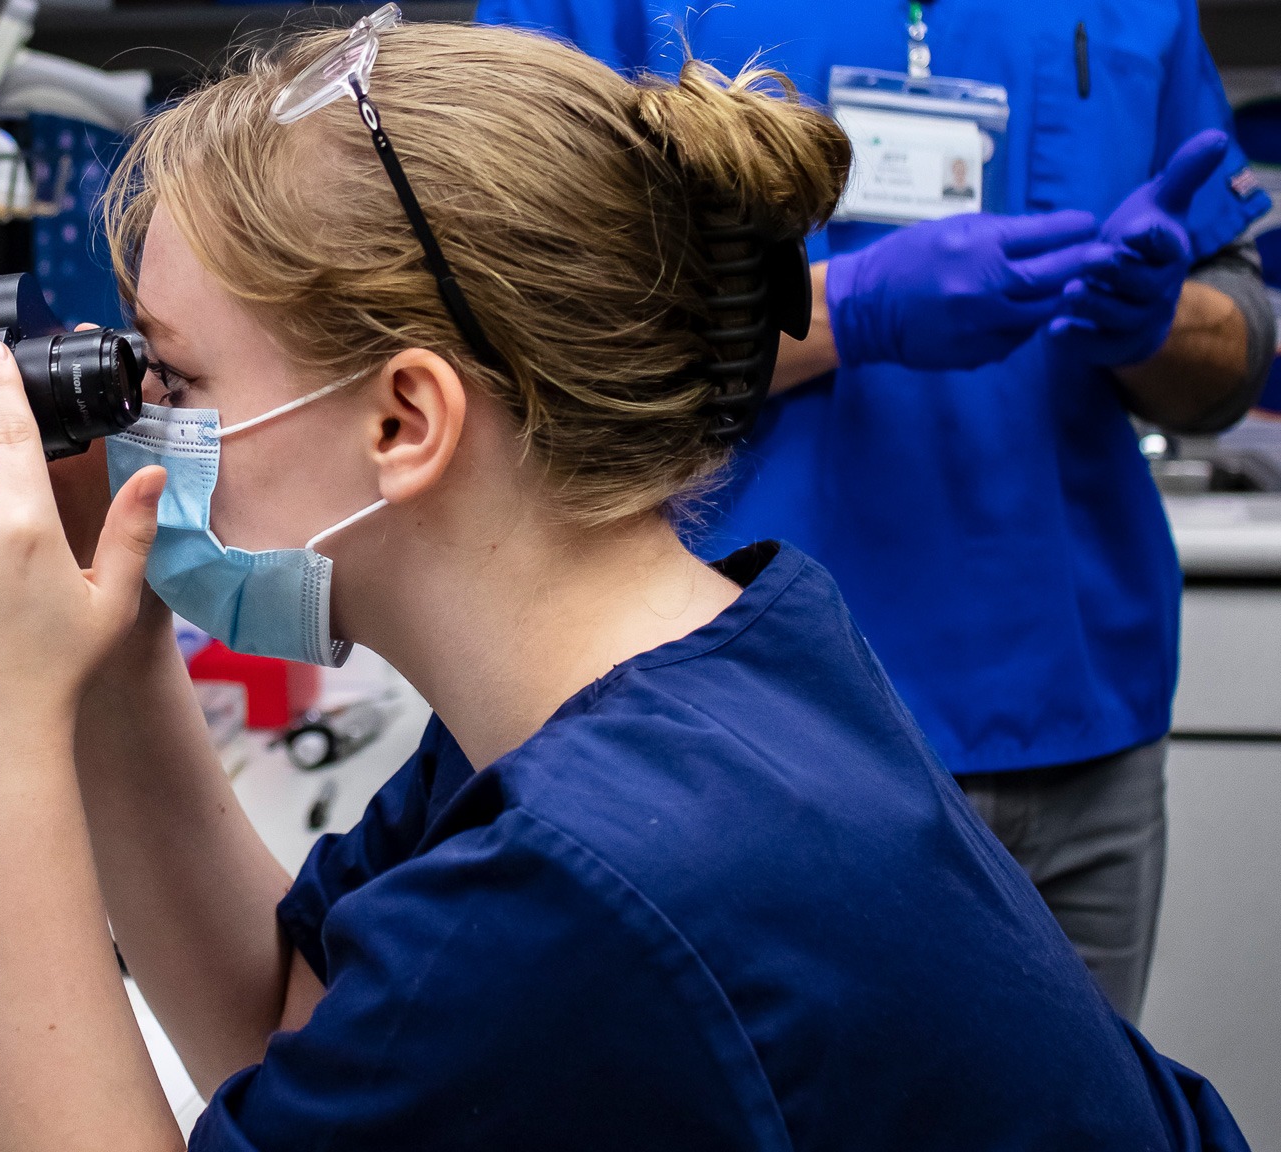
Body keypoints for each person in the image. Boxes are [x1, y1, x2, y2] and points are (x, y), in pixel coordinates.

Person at [0, 18, 1248, 1151]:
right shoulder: (668, 673)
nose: (141, 418)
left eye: (178, 378)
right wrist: (110, 658)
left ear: (405, 421)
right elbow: (293, 1031)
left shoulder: (582, 890)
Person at [475, 0, 1279, 1021]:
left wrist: (1157, 323)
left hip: (1078, 723)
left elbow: (1231, 347)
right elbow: (528, 337)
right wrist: (841, 309)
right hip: (729, 739)